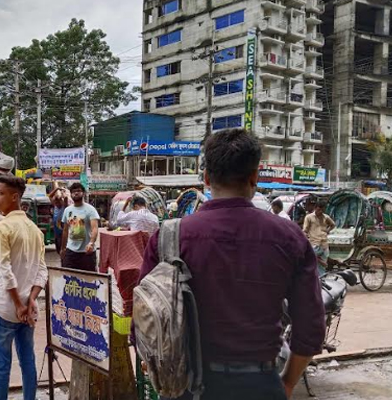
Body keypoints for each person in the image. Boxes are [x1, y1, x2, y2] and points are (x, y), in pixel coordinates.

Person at [139, 129, 325, 399]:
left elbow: (145, 318)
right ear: (254, 177)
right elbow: (311, 328)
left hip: (188, 387)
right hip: (260, 386)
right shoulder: (289, 237)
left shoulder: (169, 236)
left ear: (206, 179)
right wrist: (286, 381)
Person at [0, 176, 48, 400]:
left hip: (7, 309)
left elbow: (4, 269)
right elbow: (42, 271)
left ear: (14, 197)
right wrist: (31, 300)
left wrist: (18, 304)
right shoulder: (35, 229)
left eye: (0, 193)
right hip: (27, 310)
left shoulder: (3, 226)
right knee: (27, 361)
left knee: (2, 367)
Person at [60, 182, 100, 272]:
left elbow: (94, 228)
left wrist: (91, 243)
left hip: (87, 253)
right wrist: (63, 248)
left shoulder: (90, 210)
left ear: (83, 193)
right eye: (73, 191)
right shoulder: (67, 210)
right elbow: (65, 230)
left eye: (78, 191)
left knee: (89, 280)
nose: (76, 193)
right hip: (71, 252)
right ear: (71, 194)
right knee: (68, 277)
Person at [303, 200, 336, 275]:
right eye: (319, 209)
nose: (320, 211)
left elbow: (333, 225)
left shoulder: (326, 217)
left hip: (324, 244)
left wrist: (327, 231)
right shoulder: (309, 217)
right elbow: (305, 230)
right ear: (315, 208)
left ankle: (321, 282)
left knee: (322, 268)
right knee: (312, 263)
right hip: (314, 243)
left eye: (322, 210)